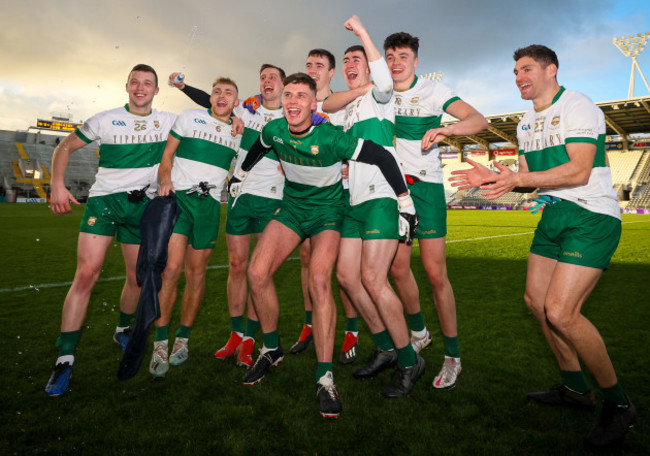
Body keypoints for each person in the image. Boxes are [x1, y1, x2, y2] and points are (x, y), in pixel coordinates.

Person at [449, 44, 635, 449]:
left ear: (551, 70)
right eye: (515, 70)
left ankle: (619, 405)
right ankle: (575, 389)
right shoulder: (523, 125)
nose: (519, 77)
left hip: (591, 215)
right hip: (554, 217)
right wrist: (495, 178)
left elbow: (579, 169)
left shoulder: (578, 106)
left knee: (561, 312)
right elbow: (529, 178)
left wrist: (517, 181)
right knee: (536, 302)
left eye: (527, 68)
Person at [231, 73, 417, 418]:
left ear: (314, 103)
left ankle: (325, 376)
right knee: (256, 273)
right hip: (292, 208)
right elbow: (260, 144)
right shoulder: (274, 129)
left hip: (329, 212)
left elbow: (379, 155)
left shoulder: (331, 137)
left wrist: (405, 200)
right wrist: (240, 175)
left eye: (301, 96)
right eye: (289, 95)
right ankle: (271, 348)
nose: (293, 102)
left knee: (319, 280)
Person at [45, 64, 176, 396]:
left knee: (136, 277)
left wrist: (234, 118)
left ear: (156, 91)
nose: (141, 87)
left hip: (142, 207)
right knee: (87, 274)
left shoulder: (169, 121)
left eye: (148, 83)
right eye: (136, 82)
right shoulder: (105, 119)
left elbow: (209, 118)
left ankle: (122, 329)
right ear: (127, 86)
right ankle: (65, 358)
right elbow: (64, 147)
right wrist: (57, 184)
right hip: (104, 203)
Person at [322, 15, 424, 397]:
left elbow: (382, 80)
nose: (350, 66)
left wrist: (363, 33)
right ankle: (385, 348)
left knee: (374, 280)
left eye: (357, 61)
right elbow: (326, 103)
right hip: (354, 202)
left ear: (370, 68)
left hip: (382, 196)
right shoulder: (347, 108)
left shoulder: (380, 96)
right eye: (345, 62)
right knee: (348, 277)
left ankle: (411, 361)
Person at [383, 32, 488, 389]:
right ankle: (419, 332)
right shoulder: (378, 90)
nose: (396, 63)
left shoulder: (433, 91)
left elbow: (479, 120)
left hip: (425, 189)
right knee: (397, 268)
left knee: (435, 274)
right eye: (390, 56)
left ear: (415, 61)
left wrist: (448, 130)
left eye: (403, 56)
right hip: (392, 189)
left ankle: (453, 357)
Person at [168, 65, 285, 367]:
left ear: (283, 84)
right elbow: (214, 100)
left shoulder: (293, 112)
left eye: (274, 77)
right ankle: (236, 334)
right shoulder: (246, 110)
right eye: (263, 77)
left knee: (261, 273)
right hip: (239, 196)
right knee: (237, 266)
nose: (267, 81)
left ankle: (251, 339)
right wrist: (183, 88)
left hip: (273, 198)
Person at [148, 77, 242, 377]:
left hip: (210, 207)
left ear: (235, 101)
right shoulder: (189, 117)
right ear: (210, 98)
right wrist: (165, 180)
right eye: (217, 92)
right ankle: (160, 342)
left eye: (228, 93)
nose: (221, 96)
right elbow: (167, 154)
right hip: (179, 201)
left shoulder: (239, 132)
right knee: (171, 271)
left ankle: (182, 339)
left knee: (197, 274)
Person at [290, 48, 359, 365]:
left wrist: (347, 163)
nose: (313, 69)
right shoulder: (297, 104)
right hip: (307, 197)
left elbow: (355, 143)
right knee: (306, 259)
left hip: (342, 194)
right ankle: (308, 323)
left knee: (343, 267)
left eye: (319, 65)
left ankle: (351, 330)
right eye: (309, 65)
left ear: (331, 73)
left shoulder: (345, 104)